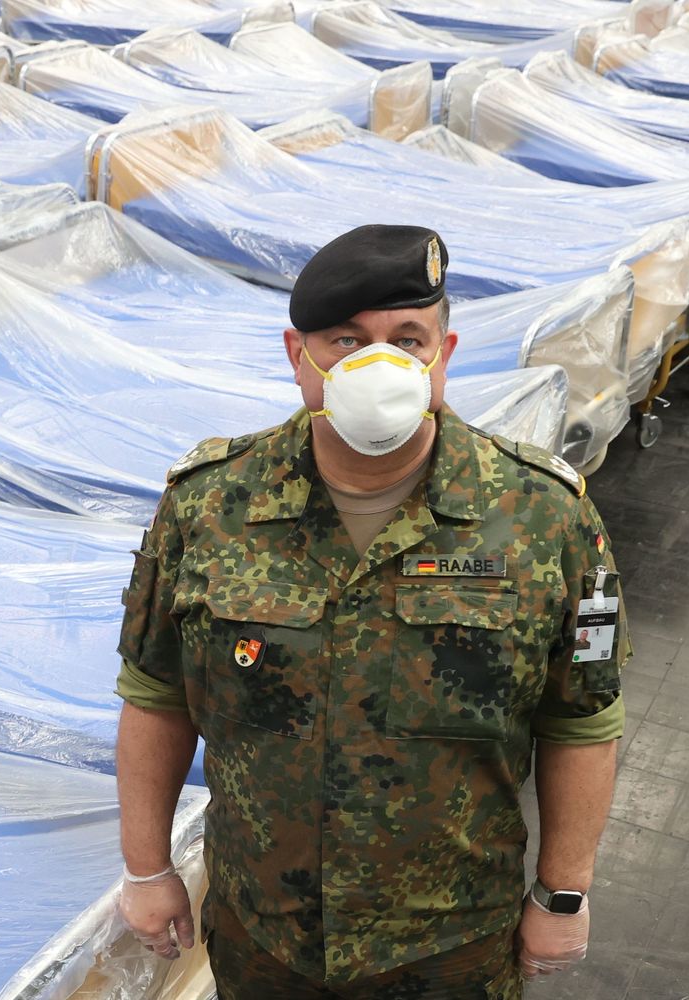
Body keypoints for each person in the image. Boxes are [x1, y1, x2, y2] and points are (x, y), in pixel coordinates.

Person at [113, 225, 630, 998]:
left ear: (443, 355)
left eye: (407, 338)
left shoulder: (544, 518)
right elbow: (155, 695)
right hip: (264, 937)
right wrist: (147, 867)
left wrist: (562, 895)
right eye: (346, 340)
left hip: (450, 944)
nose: (378, 363)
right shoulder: (208, 506)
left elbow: (581, 720)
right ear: (299, 357)